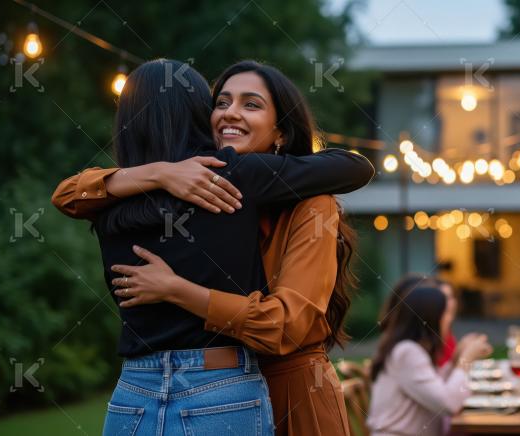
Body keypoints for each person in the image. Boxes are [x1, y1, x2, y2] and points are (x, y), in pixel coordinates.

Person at [53, 59, 374, 436]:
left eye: (251, 104)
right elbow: (67, 195)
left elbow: (286, 328)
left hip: (292, 395)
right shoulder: (217, 178)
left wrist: (177, 290)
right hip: (223, 385)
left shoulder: (304, 203)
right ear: (200, 115)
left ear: (281, 132)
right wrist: (162, 172)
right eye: (221, 103)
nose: (230, 113)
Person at [367, 284, 492, 436]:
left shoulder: (410, 349)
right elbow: (449, 404)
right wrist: (466, 359)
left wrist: (457, 357)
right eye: (446, 314)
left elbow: (438, 388)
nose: (450, 320)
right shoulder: (407, 352)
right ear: (430, 318)